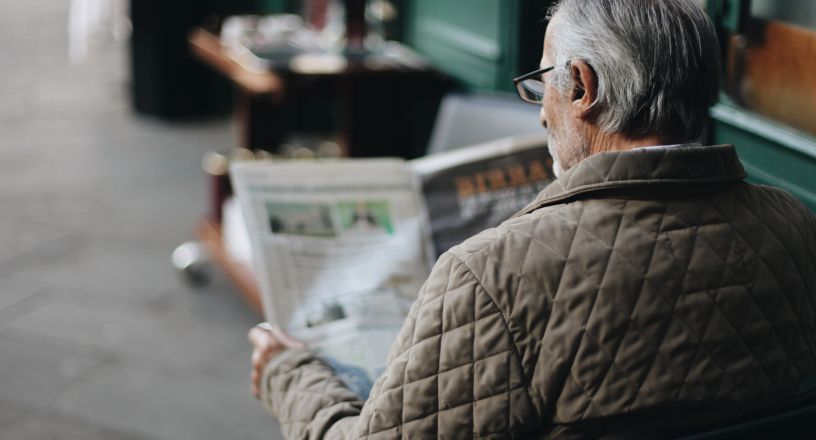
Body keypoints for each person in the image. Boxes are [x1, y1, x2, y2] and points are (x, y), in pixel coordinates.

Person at [247, 0, 816, 438]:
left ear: (584, 87)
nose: (541, 108)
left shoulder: (492, 276)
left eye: (543, 81)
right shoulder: (796, 228)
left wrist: (290, 374)